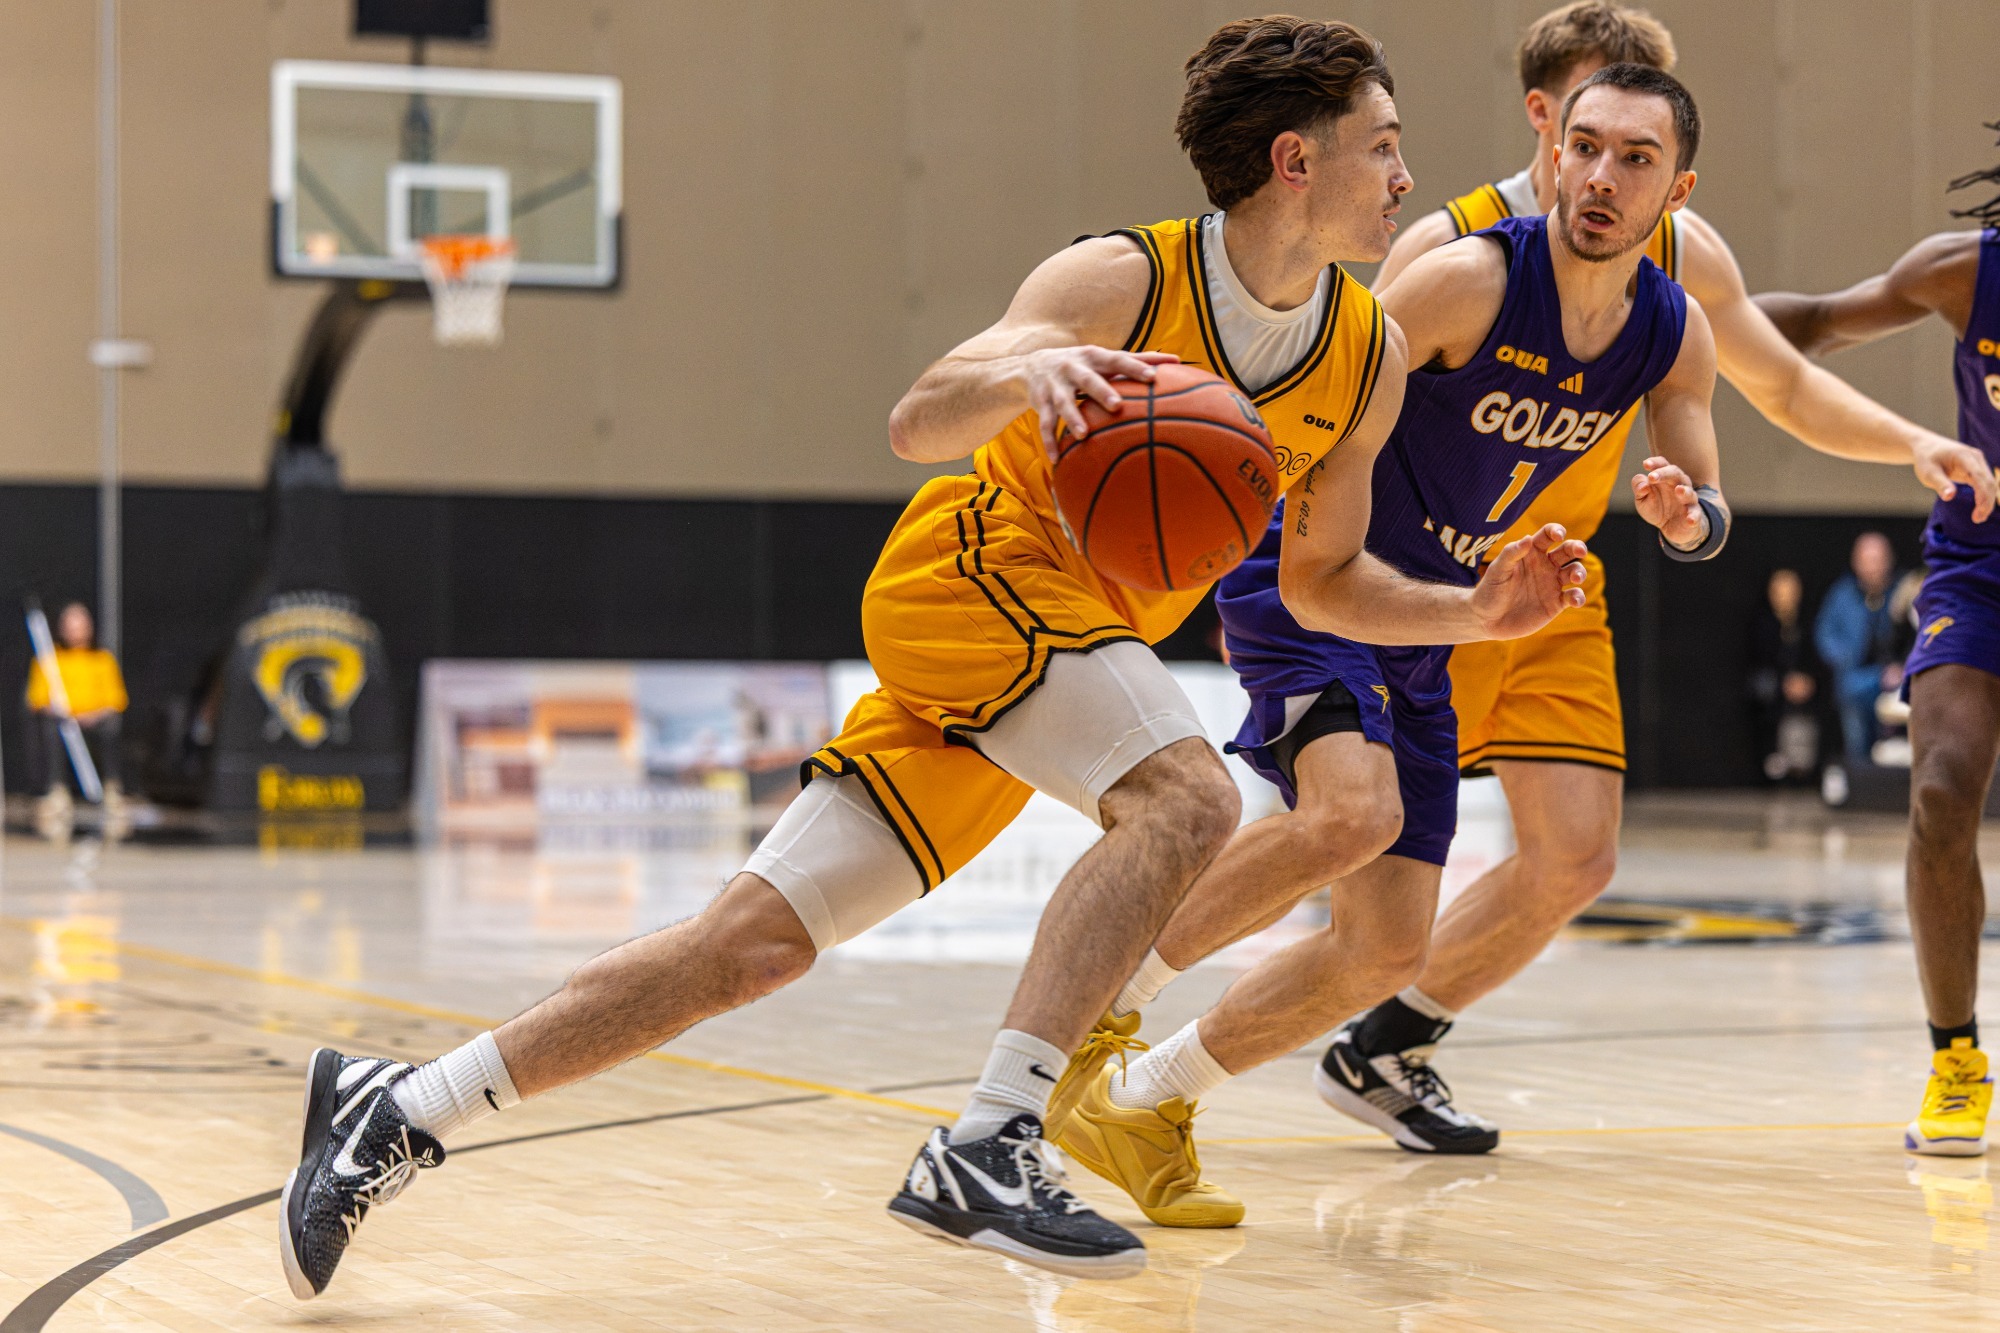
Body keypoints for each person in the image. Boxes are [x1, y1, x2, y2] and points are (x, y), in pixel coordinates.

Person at [277, 17, 1592, 1297]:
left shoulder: (1362, 355)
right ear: (1295, 161)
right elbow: (918, 418)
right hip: (971, 577)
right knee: (1185, 795)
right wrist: (1030, 378)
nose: (1408, 177)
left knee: (749, 948)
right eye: (1383, 146)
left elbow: (1321, 580)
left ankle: (399, 1104)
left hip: (1064, 645)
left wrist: (1478, 612)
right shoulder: (1122, 279)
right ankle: (992, 1140)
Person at [1307, 0, 1995, 1154]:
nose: (1620, 153)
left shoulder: (1681, 256)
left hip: (1553, 587)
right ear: (1549, 115)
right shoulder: (1454, 250)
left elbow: (1780, 383)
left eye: (1647, 140)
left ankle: (1384, 1043)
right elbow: (1331, 422)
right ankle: (1127, 1042)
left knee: (1576, 855)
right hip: (1416, 586)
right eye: (1598, 121)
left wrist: (1909, 443)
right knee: (1347, 864)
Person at [1050, 62, 1717, 1223]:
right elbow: (1302, 388)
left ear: (1678, 187)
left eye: (1634, 158)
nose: (1600, 176)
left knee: (1385, 949)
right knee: (1348, 810)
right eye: (1584, 145)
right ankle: (1090, 1015)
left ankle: (1149, 1095)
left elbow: (1707, 497)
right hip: (1314, 569)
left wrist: (1683, 513)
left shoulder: (1670, 329)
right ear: (1550, 149)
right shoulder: (1467, 280)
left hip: (1423, 617)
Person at [1753, 132, 2000, 1153]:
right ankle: (1953, 1060)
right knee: (1940, 786)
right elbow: (1802, 323)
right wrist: (1660, 329)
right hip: (1977, 567)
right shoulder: (1965, 272)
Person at [25, 601, 129, 835]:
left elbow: (116, 700)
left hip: (94, 719)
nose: (75, 632)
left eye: (80, 626)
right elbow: (37, 699)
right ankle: (57, 792)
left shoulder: (102, 660)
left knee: (111, 727)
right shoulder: (49, 660)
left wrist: (90, 715)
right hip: (62, 720)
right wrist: (62, 712)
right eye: (70, 627)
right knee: (51, 729)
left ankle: (112, 789)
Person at [1813, 532, 1905, 763]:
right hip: (1856, 678)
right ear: (1856, 562)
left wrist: (1904, 666)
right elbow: (1825, 634)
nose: (1873, 567)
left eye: (1878, 559)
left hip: (1898, 678)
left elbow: (1920, 633)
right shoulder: (1842, 594)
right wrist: (1844, 659)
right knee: (1857, 733)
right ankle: (1860, 783)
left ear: (1889, 560)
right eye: (1867, 560)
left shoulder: (1904, 591)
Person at [1748, 568, 1820, 782]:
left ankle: (1804, 765)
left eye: (1791, 590)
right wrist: (1783, 683)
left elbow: (1816, 658)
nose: (1786, 597)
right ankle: (1772, 757)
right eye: (1780, 591)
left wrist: (1806, 680)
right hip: (1771, 684)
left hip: (1801, 686)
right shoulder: (1761, 623)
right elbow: (1756, 662)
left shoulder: (1807, 622)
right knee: (1766, 691)